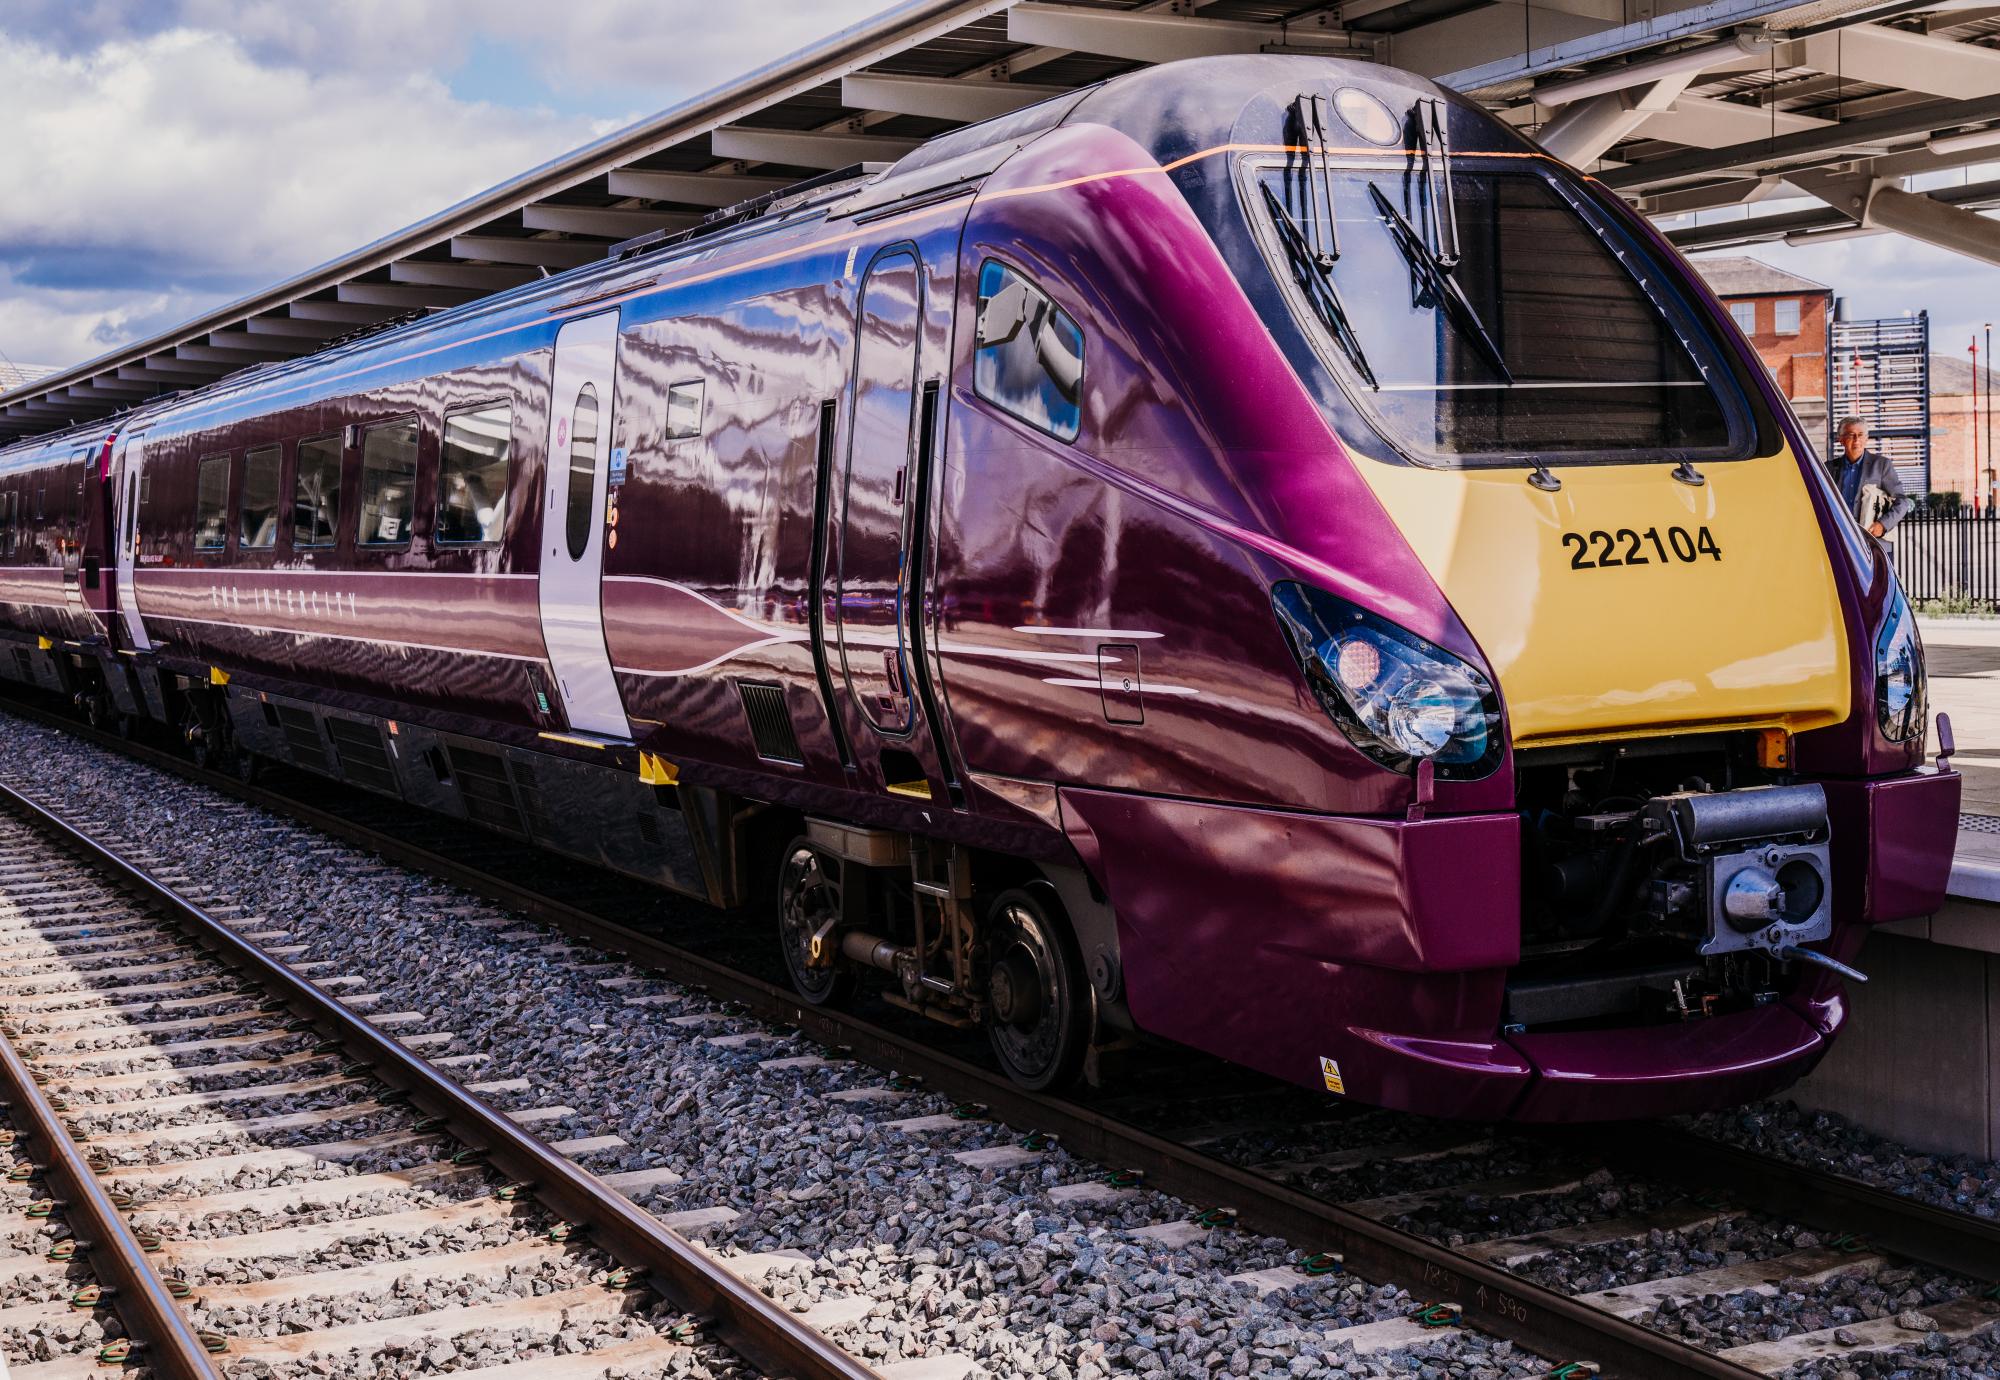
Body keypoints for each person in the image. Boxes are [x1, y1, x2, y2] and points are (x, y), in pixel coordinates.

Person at [1827, 416, 1912, 541]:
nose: (1857, 440)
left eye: (1861, 435)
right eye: (1851, 435)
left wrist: (1883, 524)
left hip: (1874, 543)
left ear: (1866, 439)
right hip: (1840, 540)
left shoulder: (1882, 465)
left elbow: (1903, 502)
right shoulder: (1828, 468)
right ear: (1841, 439)